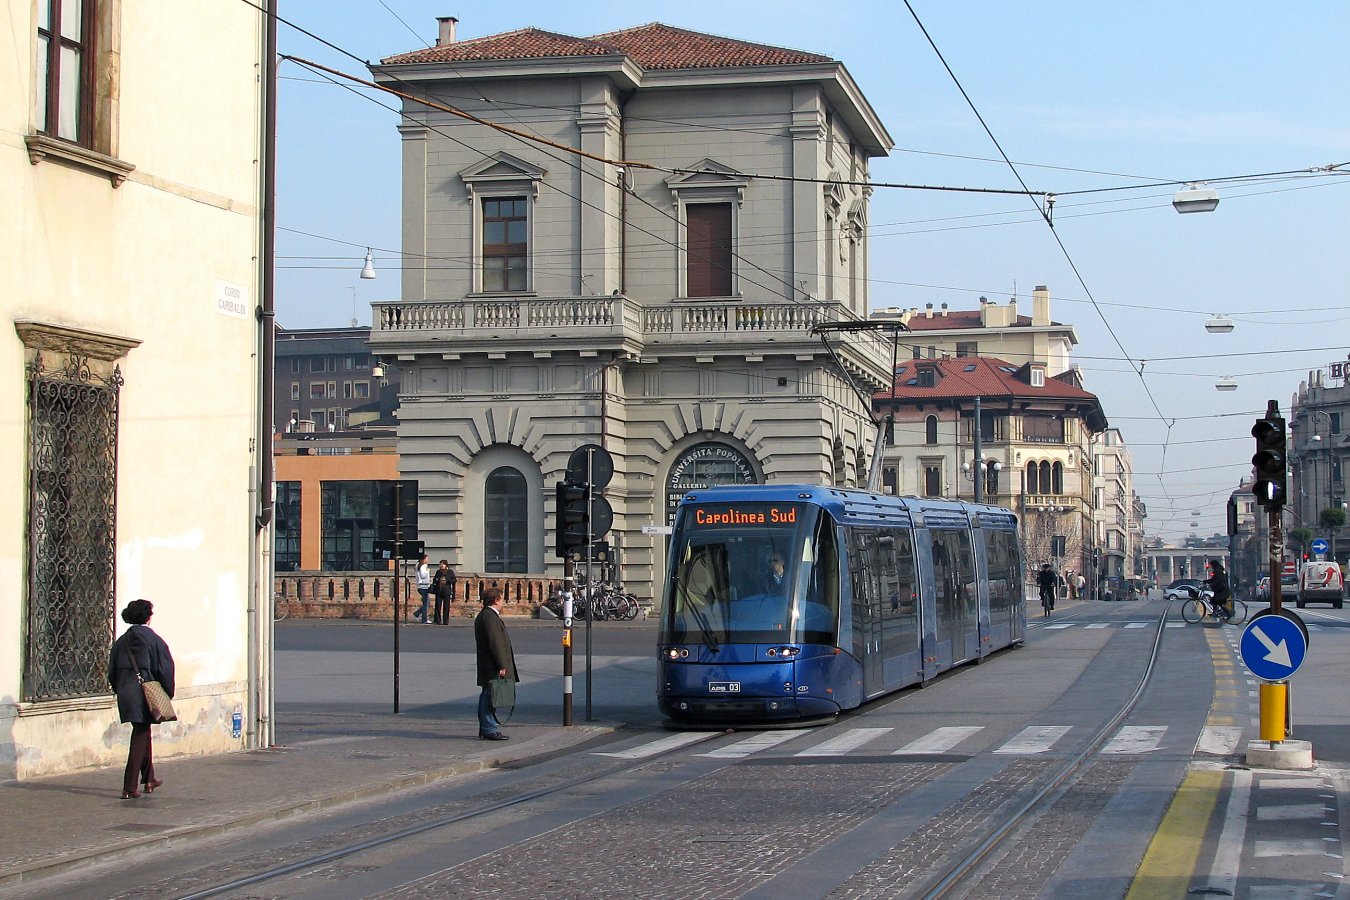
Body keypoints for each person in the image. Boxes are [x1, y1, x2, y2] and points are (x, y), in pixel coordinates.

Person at [107, 599, 175, 800]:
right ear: (148, 617)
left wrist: (119, 688)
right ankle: (129, 787)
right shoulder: (154, 640)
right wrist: (167, 693)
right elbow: (165, 668)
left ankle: (150, 779)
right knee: (140, 732)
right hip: (147, 690)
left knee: (142, 730)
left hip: (126, 691)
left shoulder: (121, 641)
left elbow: (111, 670)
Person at [474, 586, 518, 741]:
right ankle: (488, 728)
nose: (503, 602)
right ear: (496, 600)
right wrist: (502, 665)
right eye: (501, 598)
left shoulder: (486, 616)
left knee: (488, 695)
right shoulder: (490, 618)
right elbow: (496, 643)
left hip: (488, 664)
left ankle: (486, 727)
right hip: (492, 665)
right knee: (490, 697)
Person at [432, 560, 457, 625]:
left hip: (446, 591)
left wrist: (447, 580)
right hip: (439, 591)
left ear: (446, 565)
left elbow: (454, 580)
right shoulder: (438, 572)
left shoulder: (450, 572)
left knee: (446, 606)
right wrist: (437, 580)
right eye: (440, 564)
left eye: (442, 564)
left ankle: (446, 621)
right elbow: (434, 579)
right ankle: (438, 620)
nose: (441, 566)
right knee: (438, 606)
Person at [414, 554, 432, 623]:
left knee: (427, 602)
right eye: (427, 559)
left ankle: (417, 613)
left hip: (421, 586)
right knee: (426, 603)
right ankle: (424, 619)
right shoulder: (423, 566)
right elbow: (423, 575)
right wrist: (428, 571)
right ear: (423, 560)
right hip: (424, 586)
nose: (428, 560)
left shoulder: (418, 566)